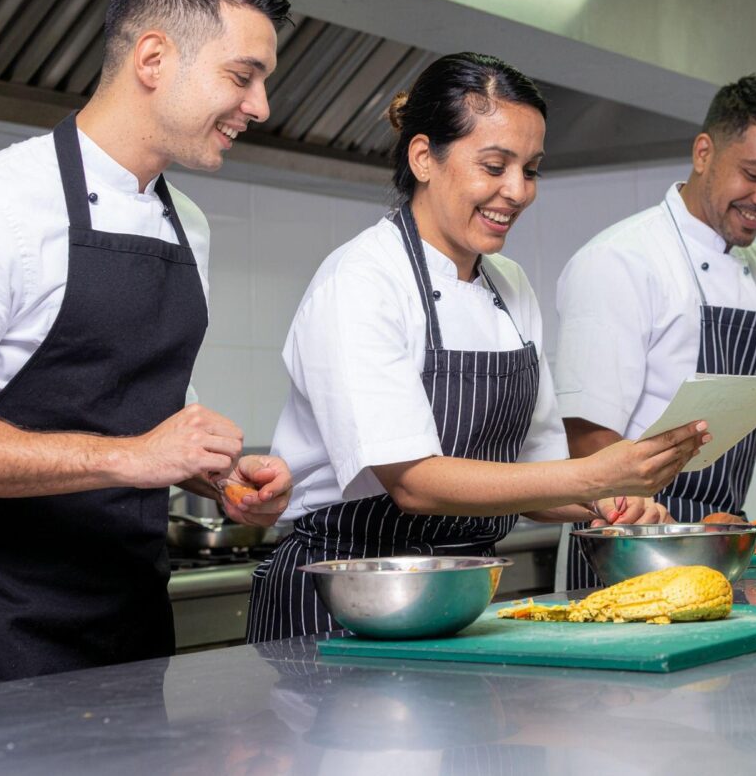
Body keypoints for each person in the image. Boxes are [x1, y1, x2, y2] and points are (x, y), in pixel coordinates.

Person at [0, 0, 295, 695]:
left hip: (132, 629)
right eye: (242, 77)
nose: (260, 108)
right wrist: (130, 459)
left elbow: (136, 398)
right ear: (152, 58)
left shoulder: (189, 224)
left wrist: (214, 472)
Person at [246, 52, 708, 641]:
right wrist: (590, 477)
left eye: (531, 169)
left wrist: (607, 503)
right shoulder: (361, 281)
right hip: (346, 602)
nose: (517, 191)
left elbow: (537, 478)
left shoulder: (509, 286)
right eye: (494, 165)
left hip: (456, 600)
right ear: (423, 158)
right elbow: (414, 483)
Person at [555, 74, 756, 588]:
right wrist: (655, 520)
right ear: (704, 152)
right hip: (628, 545)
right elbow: (587, 433)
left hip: (719, 541)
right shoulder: (618, 261)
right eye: (754, 174)